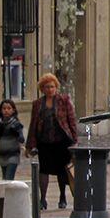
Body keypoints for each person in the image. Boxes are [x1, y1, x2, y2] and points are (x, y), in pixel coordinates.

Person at [26, 73, 77, 210]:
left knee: (61, 170)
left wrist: (74, 140)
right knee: (44, 170)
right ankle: (43, 199)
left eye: (52, 87)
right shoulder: (38, 104)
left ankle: (62, 197)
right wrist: (30, 145)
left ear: (56, 87)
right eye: (47, 87)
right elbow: (33, 124)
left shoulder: (63, 100)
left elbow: (71, 120)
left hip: (61, 140)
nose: (50, 89)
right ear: (42, 88)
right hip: (45, 141)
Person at [0, 99, 25, 180]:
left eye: (9, 108)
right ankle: (7, 193)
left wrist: (16, 133)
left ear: (13, 110)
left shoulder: (16, 124)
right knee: (5, 179)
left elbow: (22, 139)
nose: (6, 111)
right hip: (2, 154)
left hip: (13, 155)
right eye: (4, 108)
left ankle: (9, 192)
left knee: (9, 178)